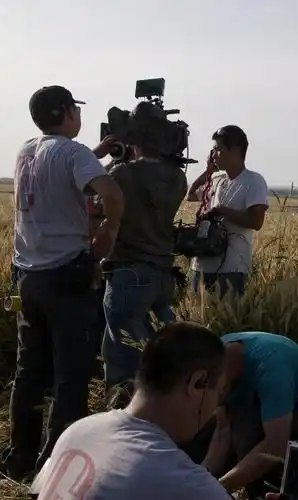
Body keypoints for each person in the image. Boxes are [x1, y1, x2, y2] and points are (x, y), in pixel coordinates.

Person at [4, 85, 125, 480]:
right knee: (70, 376)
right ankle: (55, 468)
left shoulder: (26, 150)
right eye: (75, 108)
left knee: (29, 371)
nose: (79, 114)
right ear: (65, 112)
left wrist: (95, 153)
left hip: (28, 277)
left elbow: (58, 168)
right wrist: (109, 228)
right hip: (65, 276)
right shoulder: (72, 153)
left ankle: (19, 457)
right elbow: (111, 193)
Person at [28, 321, 232, 499]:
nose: (214, 408)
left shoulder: (78, 431)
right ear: (197, 383)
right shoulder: (182, 480)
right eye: (218, 393)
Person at [100, 101, 188, 403]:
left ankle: (125, 417)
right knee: (155, 351)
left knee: (123, 359)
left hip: (128, 272)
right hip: (162, 274)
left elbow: (93, 194)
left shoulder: (123, 174)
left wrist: (110, 157)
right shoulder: (178, 178)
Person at [181, 331, 298, 499]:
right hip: (260, 411)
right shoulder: (214, 358)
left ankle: (259, 491)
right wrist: (199, 481)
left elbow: (276, 444)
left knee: (245, 432)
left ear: (224, 387)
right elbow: (222, 429)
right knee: (198, 434)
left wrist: (217, 489)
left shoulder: (270, 368)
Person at [186, 125, 269, 298]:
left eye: (218, 149)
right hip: (201, 265)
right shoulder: (216, 180)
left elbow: (256, 221)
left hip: (232, 267)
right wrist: (207, 172)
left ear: (235, 150)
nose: (213, 154)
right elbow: (191, 195)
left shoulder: (253, 181)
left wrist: (222, 211)